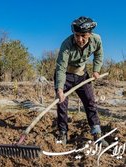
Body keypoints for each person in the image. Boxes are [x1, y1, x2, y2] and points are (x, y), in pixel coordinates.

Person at [54, 16, 108, 146]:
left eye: (83, 35)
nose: (79, 39)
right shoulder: (66, 44)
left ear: (90, 34)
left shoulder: (96, 40)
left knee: (90, 102)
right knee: (62, 104)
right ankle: (62, 132)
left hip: (82, 75)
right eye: (77, 35)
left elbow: (99, 54)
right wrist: (60, 89)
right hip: (65, 75)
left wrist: (96, 70)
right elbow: (60, 68)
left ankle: (97, 133)